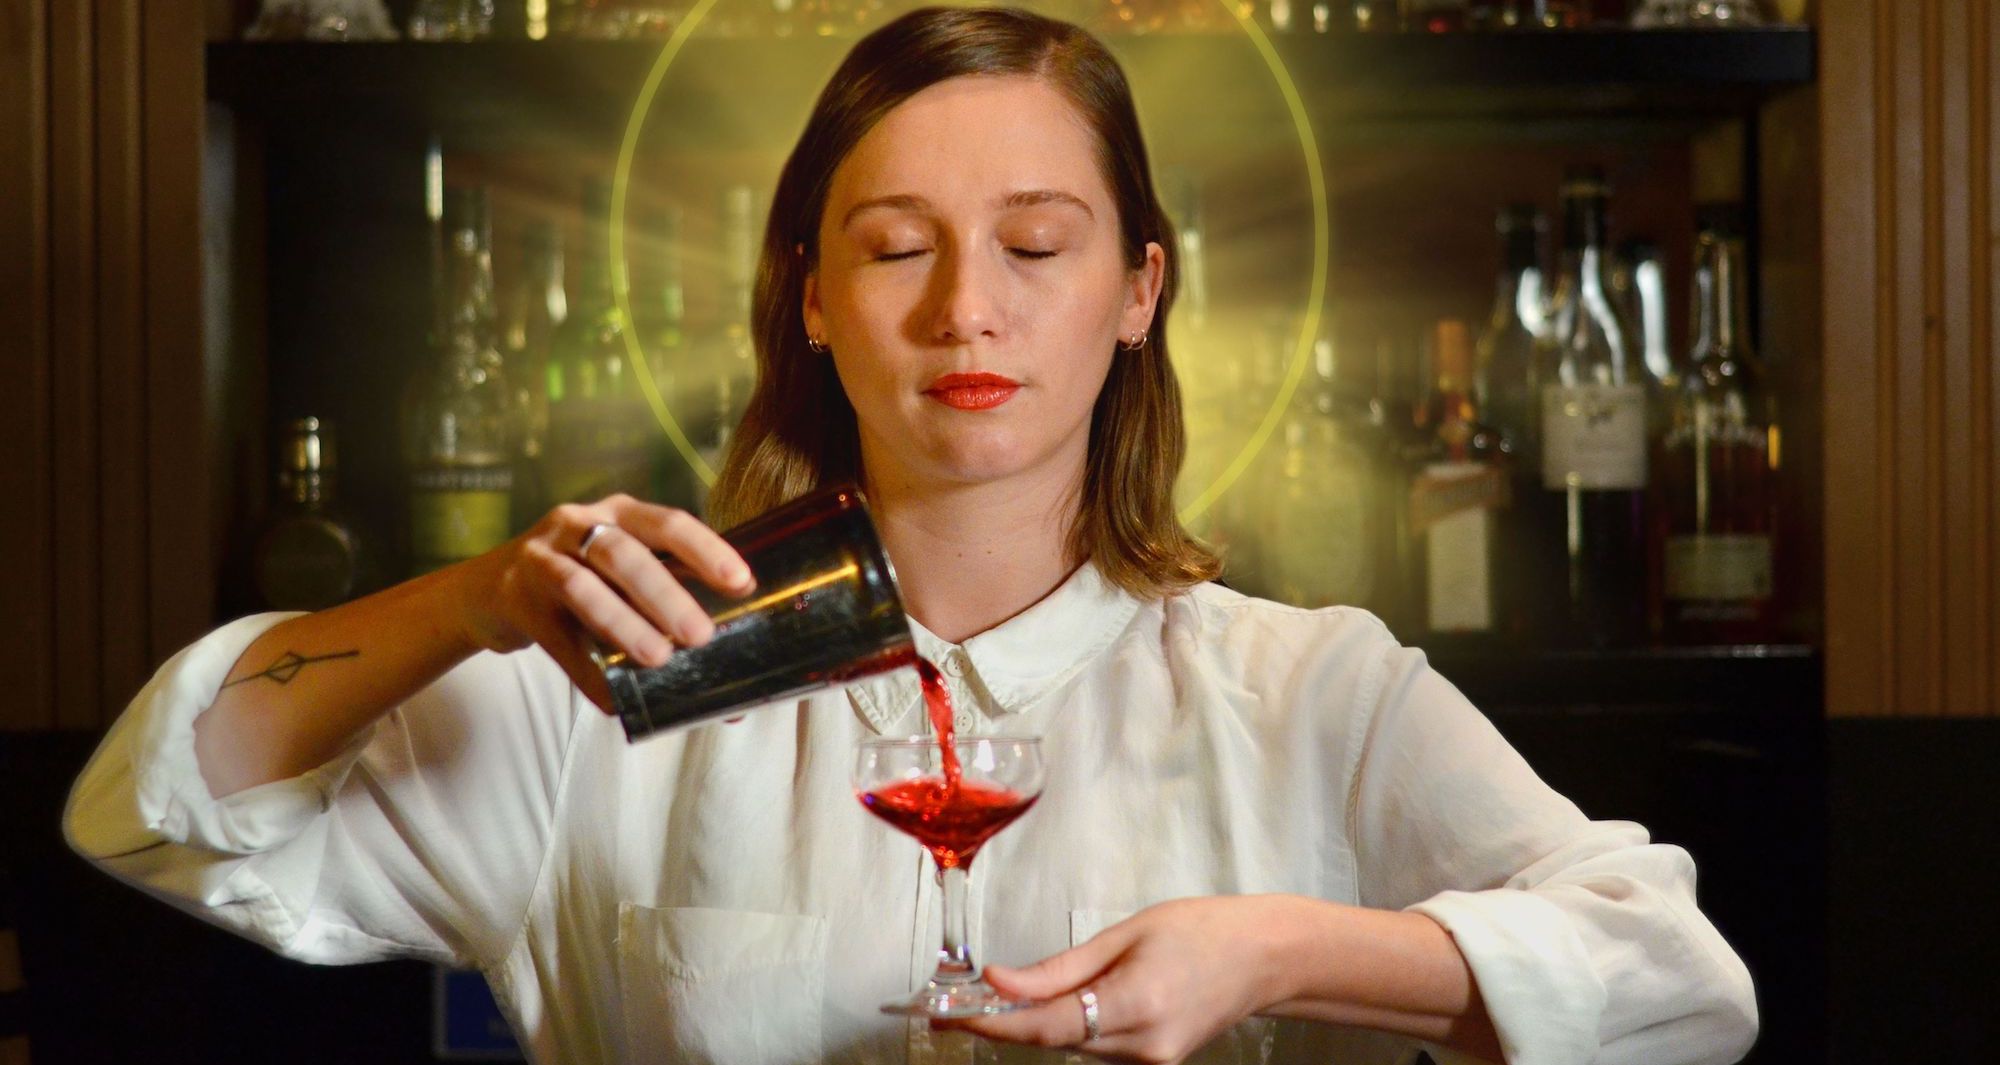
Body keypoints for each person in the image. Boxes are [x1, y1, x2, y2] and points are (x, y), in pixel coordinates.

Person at [64, 7, 1757, 1065]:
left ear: (1138, 294)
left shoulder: (1312, 692)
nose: (969, 310)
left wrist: (1281, 947)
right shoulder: (614, 690)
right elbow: (157, 807)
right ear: (811, 296)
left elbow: (1685, 984)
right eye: (895, 248)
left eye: (1038, 244)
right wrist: (487, 598)